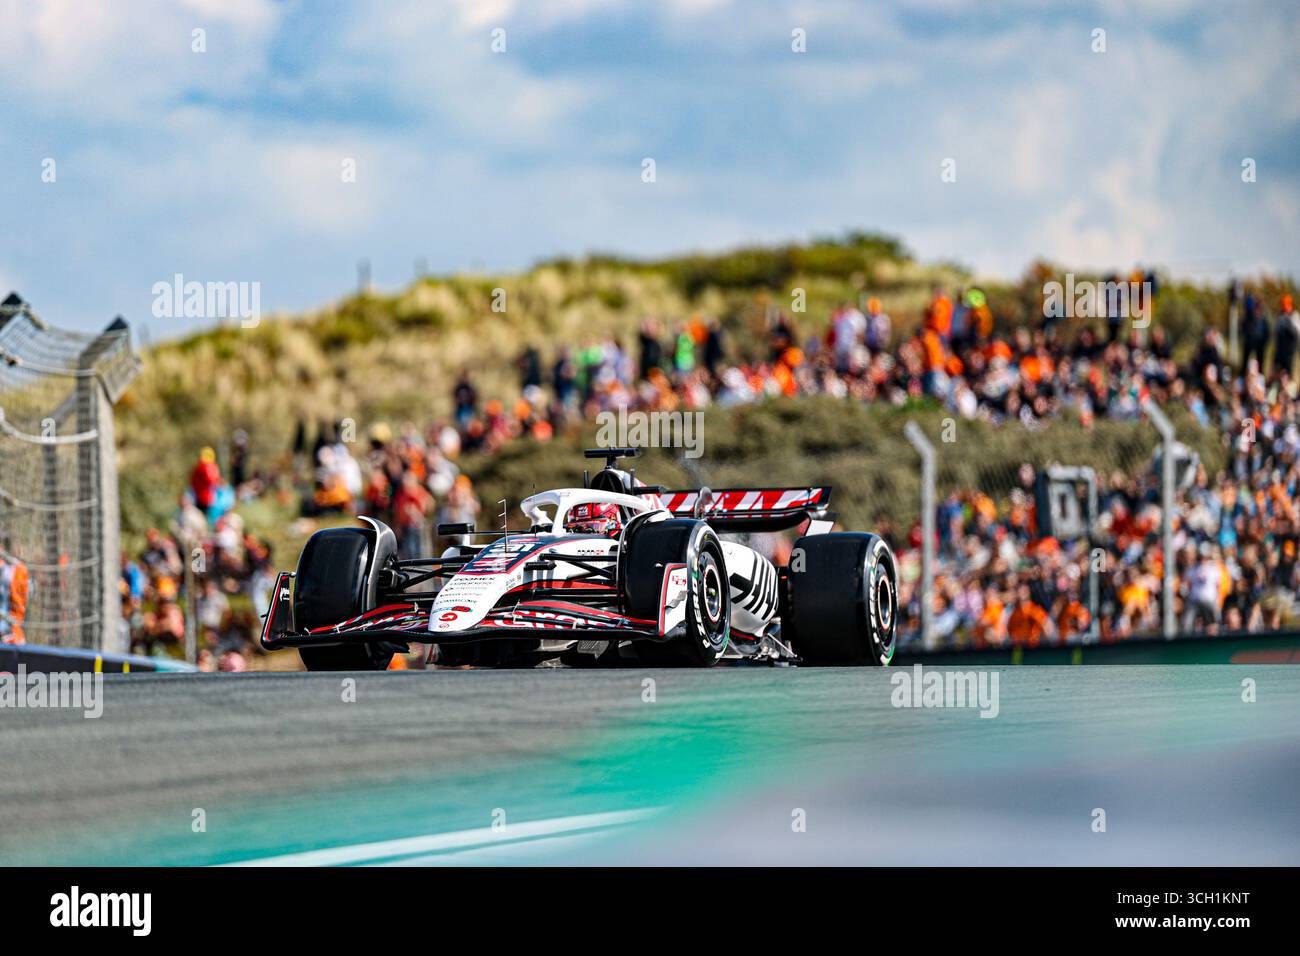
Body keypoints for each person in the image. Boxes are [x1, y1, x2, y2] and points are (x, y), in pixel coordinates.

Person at [0, 534, 29, 644]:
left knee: (21, 657)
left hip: (12, 624)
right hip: (7, 623)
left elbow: (21, 599)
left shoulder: (20, 570)